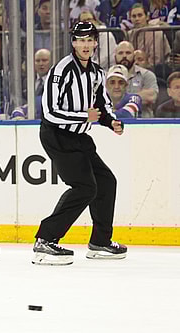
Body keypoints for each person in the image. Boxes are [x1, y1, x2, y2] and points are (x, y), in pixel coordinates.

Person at [33, 21, 127, 266]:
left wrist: (112, 122)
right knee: (85, 187)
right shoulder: (61, 70)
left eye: (90, 40)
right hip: (57, 136)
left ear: (96, 42)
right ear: (73, 42)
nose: (86, 44)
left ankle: (100, 242)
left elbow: (102, 104)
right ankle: (45, 240)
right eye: (81, 40)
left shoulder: (97, 72)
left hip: (80, 137)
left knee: (106, 181)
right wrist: (84, 116)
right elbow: (50, 111)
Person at [114, 41, 159, 118]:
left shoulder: (147, 75)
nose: (124, 56)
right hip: (114, 121)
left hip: (143, 123)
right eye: (120, 53)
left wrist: (123, 100)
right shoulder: (106, 77)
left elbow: (151, 96)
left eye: (128, 53)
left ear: (134, 56)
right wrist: (136, 99)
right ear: (115, 57)